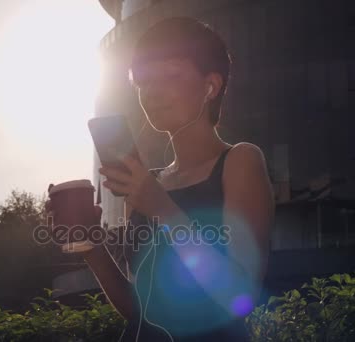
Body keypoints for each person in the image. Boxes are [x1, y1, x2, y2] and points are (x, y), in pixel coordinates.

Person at [48, 17, 274, 342]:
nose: (152, 92)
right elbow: (140, 309)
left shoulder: (239, 161)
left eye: (170, 75)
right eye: (142, 81)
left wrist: (162, 209)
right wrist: (91, 246)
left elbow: (240, 295)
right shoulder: (146, 184)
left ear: (211, 86)